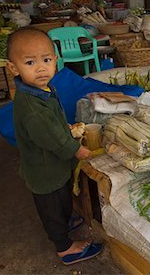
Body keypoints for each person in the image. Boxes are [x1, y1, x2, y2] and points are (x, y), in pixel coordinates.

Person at [6, 28, 103, 265]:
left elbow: (54, 123)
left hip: (54, 168)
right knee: (52, 207)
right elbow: (52, 138)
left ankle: (63, 222)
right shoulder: (32, 109)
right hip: (44, 172)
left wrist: (66, 126)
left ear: (56, 61)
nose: (41, 68)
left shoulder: (43, 89)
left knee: (62, 200)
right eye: (30, 62)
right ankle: (64, 247)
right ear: (13, 68)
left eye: (46, 60)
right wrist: (77, 150)